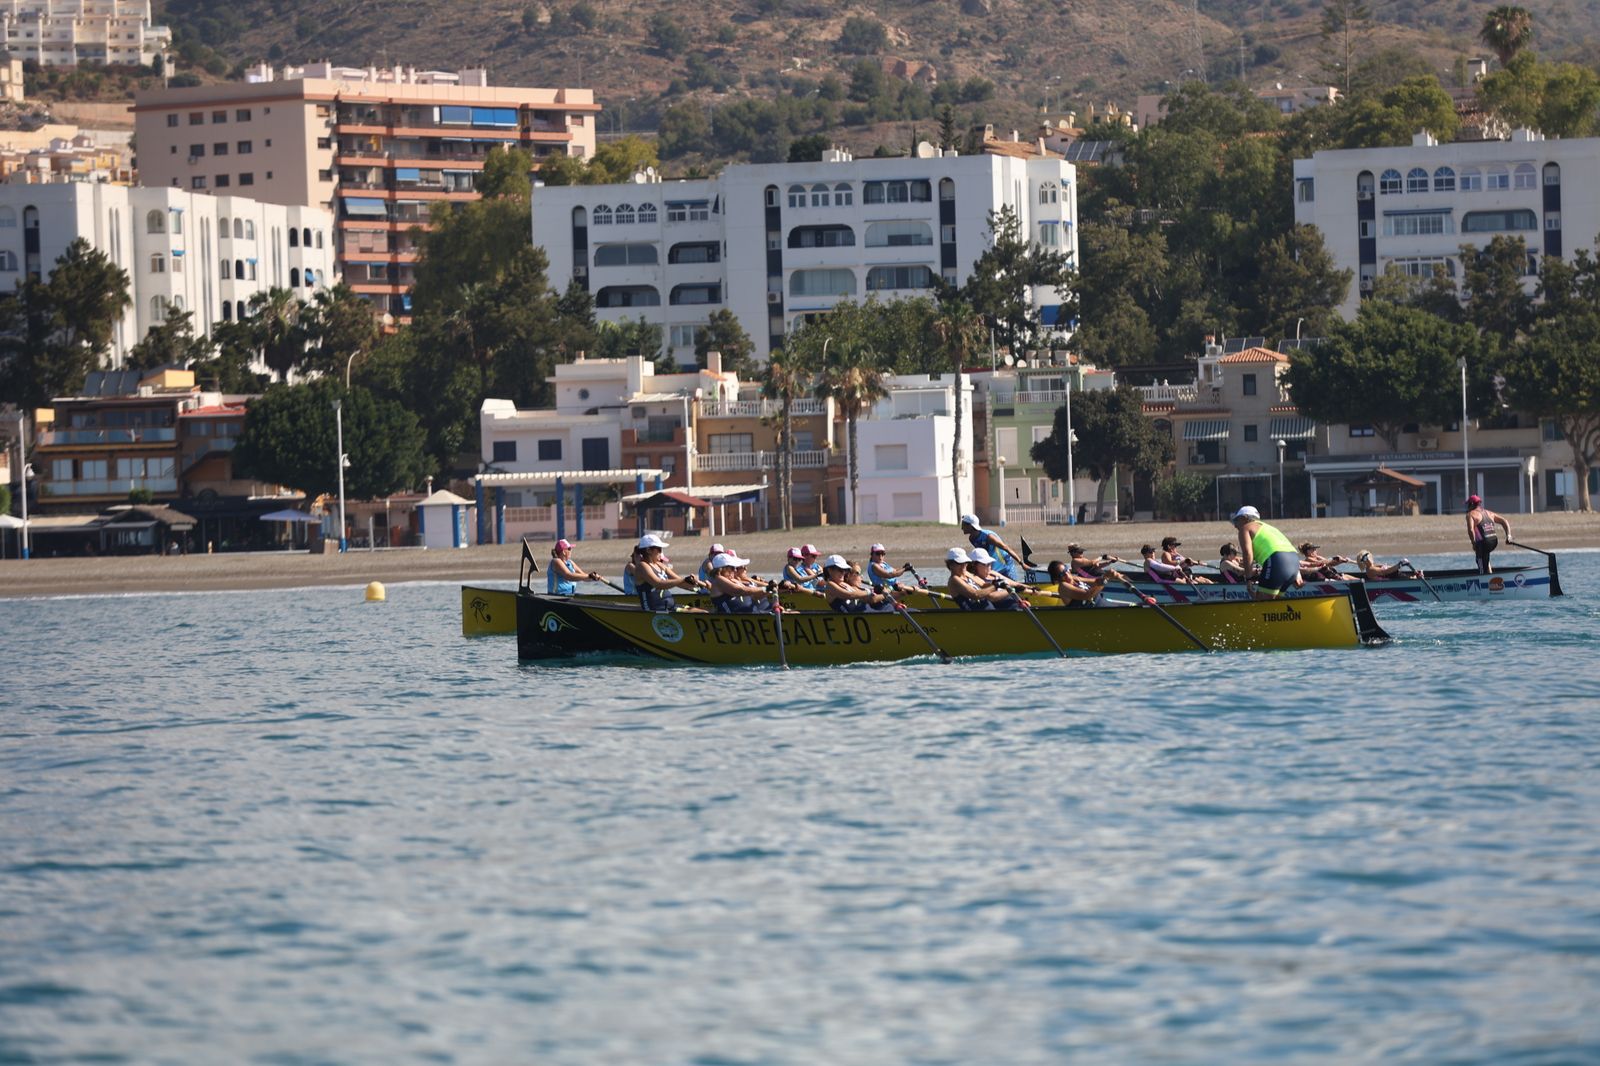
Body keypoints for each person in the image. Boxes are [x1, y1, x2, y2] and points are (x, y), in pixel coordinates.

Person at [1230, 505, 1302, 601]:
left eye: (1236, 521)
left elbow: (1247, 554)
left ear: (1245, 518)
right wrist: (1297, 573)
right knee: (1274, 605)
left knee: (1262, 601)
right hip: (1294, 562)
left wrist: (1248, 579)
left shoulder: (1245, 528)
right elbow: (1286, 549)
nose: (1235, 525)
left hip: (1278, 561)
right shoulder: (1270, 528)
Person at [632, 533, 705, 611]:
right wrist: (683, 579)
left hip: (669, 607)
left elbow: (680, 582)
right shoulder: (642, 566)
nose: (661, 552)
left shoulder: (660, 565)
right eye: (659, 549)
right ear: (649, 550)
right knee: (702, 613)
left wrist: (697, 583)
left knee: (703, 612)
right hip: (654, 609)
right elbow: (658, 584)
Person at [820, 554, 898, 613]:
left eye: (844, 570)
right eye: (840, 570)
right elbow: (850, 595)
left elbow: (868, 598)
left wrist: (889, 591)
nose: (843, 573)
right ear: (830, 570)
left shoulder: (844, 584)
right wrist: (869, 591)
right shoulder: (830, 585)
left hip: (867, 612)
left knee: (891, 607)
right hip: (862, 616)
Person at [959, 513, 1023, 581]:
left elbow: (1005, 547)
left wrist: (1021, 563)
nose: (962, 528)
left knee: (1014, 585)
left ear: (971, 526)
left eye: (963, 525)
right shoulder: (972, 538)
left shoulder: (988, 537)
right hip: (992, 565)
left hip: (1005, 565)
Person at [961, 547, 1026, 610]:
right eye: (986, 564)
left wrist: (1031, 589)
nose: (989, 566)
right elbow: (992, 597)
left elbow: (1015, 585)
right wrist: (1013, 589)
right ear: (974, 565)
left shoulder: (992, 574)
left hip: (1015, 604)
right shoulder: (975, 580)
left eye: (990, 563)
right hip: (1004, 609)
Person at [706, 552, 770, 613]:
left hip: (751, 614)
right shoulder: (718, 579)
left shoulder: (732, 580)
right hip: (735, 617)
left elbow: (753, 596)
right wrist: (765, 588)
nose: (735, 570)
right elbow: (740, 591)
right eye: (732, 568)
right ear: (723, 569)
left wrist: (770, 590)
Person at [1465, 494, 1511, 574]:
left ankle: (1483, 578)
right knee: (1485, 557)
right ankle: (1490, 575)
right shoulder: (1489, 513)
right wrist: (1508, 535)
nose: (1467, 507)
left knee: (1479, 559)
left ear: (1471, 504)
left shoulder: (1471, 514)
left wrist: (1473, 543)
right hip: (1494, 541)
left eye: (1468, 505)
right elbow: (1504, 521)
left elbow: (1471, 530)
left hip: (1484, 543)